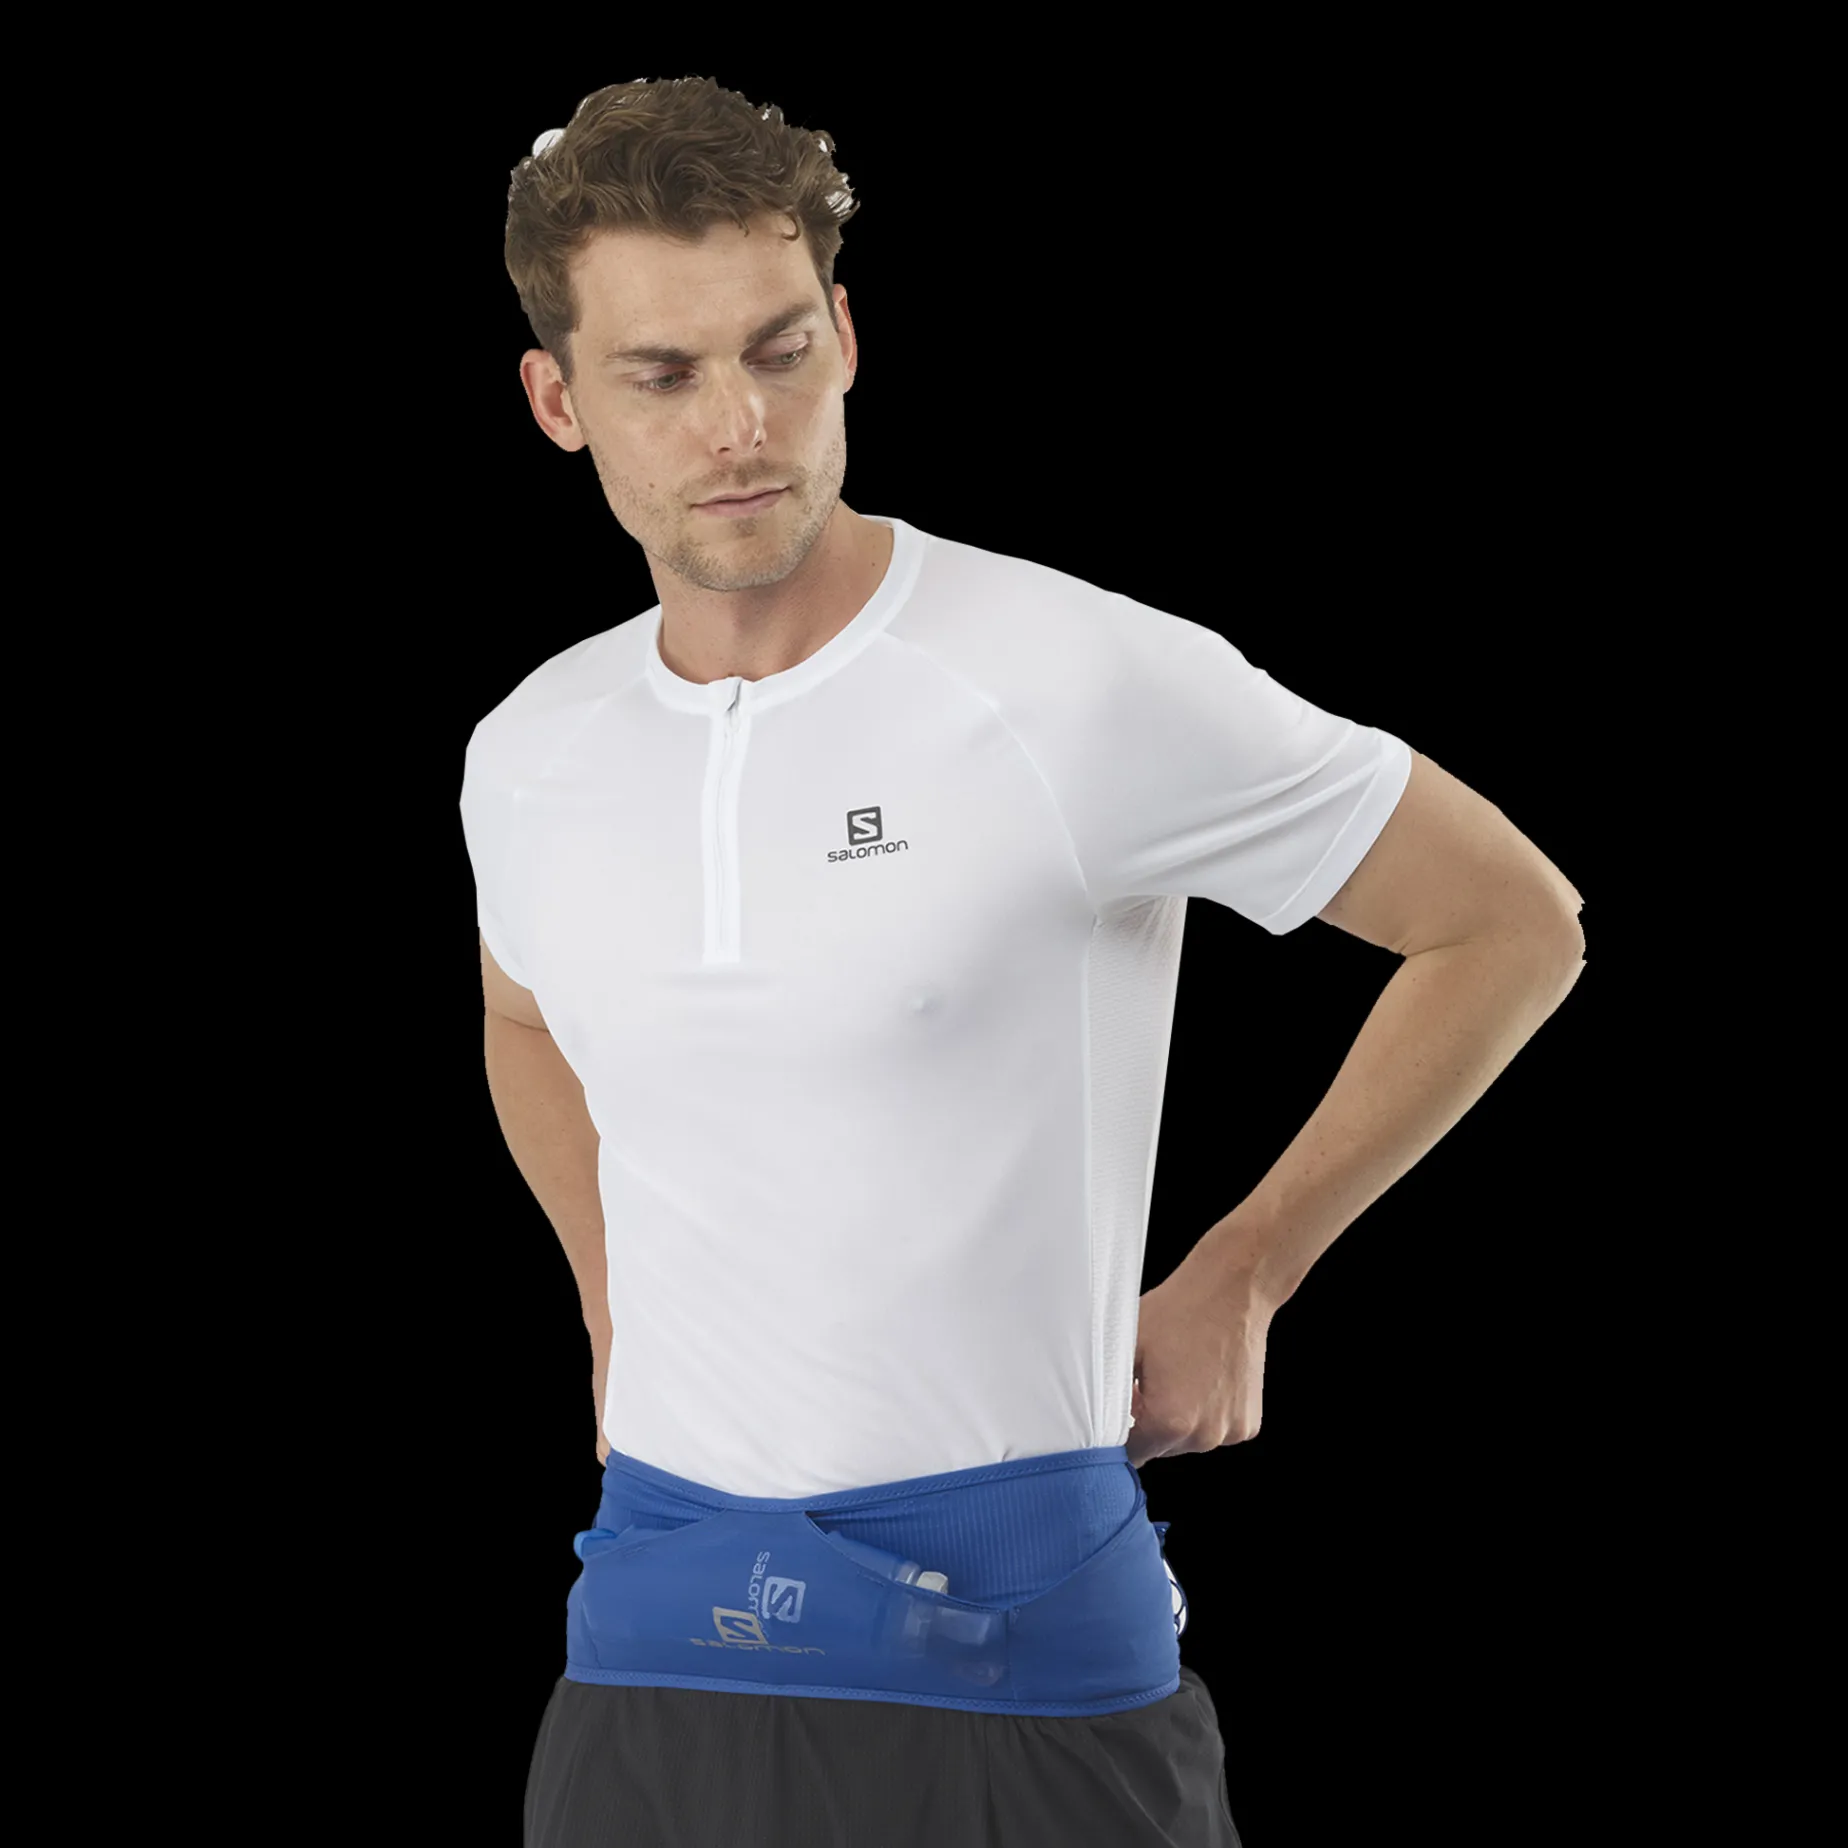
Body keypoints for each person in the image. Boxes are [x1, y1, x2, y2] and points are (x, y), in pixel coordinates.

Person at [467, 75, 1586, 1848]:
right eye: (662, 377)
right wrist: (613, 1295)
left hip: (1018, 1671)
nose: (740, 426)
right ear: (558, 400)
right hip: (652, 1654)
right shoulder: (533, 747)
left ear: (845, 338)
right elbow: (523, 1012)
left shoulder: (1068, 678)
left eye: (779, 352)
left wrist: (1246, 1271)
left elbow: (1508, 920)